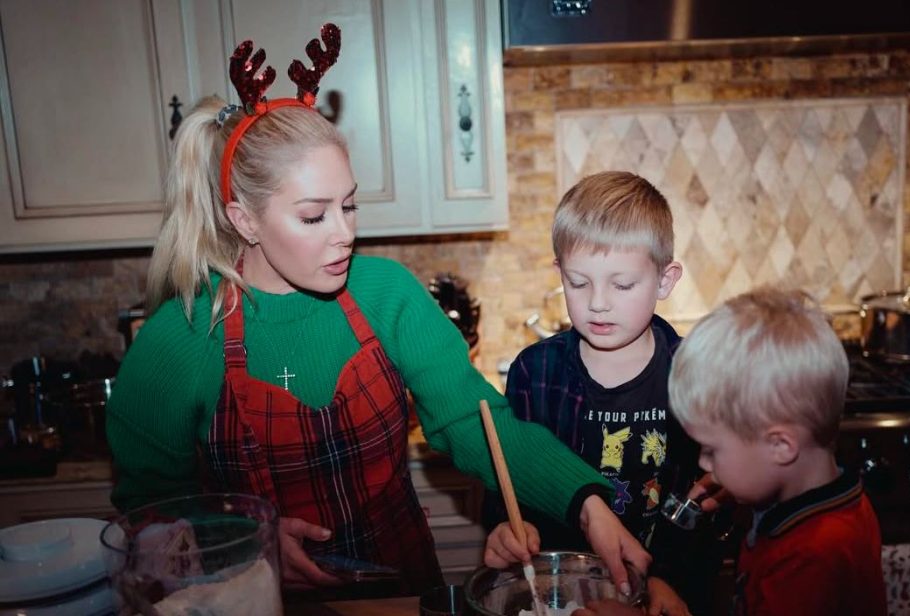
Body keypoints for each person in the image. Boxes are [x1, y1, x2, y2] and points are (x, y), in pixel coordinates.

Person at [105, 25, 649, 599]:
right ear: (244, 221)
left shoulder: (386, 294)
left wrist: (589, 506)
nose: (344, 234)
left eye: (350, 205)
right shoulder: (184, 335)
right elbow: (147, 507)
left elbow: (476, 421)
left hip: (403, 590)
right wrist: (244, 538)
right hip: (259, 600)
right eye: (314, 216)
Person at [481, 172, 721, 616]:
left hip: (662, 593)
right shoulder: (534, 373)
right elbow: (507, 483)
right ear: (560, 274)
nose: (597, 303)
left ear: (664, 281)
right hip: (559, 597)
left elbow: (702, 501)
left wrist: (668, 578)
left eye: (622, 285)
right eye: (579, 282)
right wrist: (504, 529)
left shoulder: (694, 375)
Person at [573, 287, 887, 616]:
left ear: (780, 446)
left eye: (712, 449)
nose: (703, 462)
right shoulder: (828, 504)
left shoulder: (812, 556)